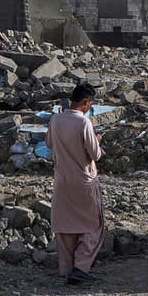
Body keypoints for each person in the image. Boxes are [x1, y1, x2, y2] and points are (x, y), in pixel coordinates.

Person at [46, 84, 104, 284]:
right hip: (83, 181)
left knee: (65, 225)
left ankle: (66, 269)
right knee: (92, 225)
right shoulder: (83, 122)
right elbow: (94, 154)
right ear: (86, 103)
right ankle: (81, 268)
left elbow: (49, 144)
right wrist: (96, 140)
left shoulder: (55, 119)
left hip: (62, 180)